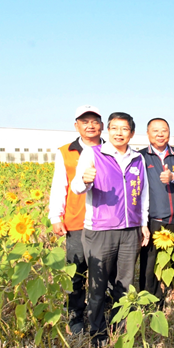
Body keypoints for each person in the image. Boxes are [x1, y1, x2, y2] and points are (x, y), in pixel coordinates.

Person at [71, 112, 150, 347]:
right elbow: (76, 187)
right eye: (114, 128)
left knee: (124, 284)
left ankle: (119, 327)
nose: (119, 133)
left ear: (132, 133)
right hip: (100, 229)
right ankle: (97, 332)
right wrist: (85, 180)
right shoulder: (93, 153)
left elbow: (143, 194)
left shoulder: (138, 158)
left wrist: (143, 224)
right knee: (97, 284)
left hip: (130, 230)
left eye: (124, 129)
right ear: (108, 131)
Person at [48, 105, 103, 334]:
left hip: (104, 221)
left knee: (102, 273)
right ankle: (75, 316)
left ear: (101, 125)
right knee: (76, 271)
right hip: (76, 220)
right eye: (84, 121)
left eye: (94, 121)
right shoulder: (65, 151)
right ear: (76, 125)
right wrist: (55, 216)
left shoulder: (110, 150)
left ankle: (101, 314)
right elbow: (59, 185)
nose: (90, 125)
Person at [138, 118, 174, 302]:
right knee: (150, 263)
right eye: (155, 131)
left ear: (169, 133)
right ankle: (151, 301)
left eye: (164, 130)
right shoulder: (140, 157)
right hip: (154, 219)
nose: (160, 134)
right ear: (148, 134)